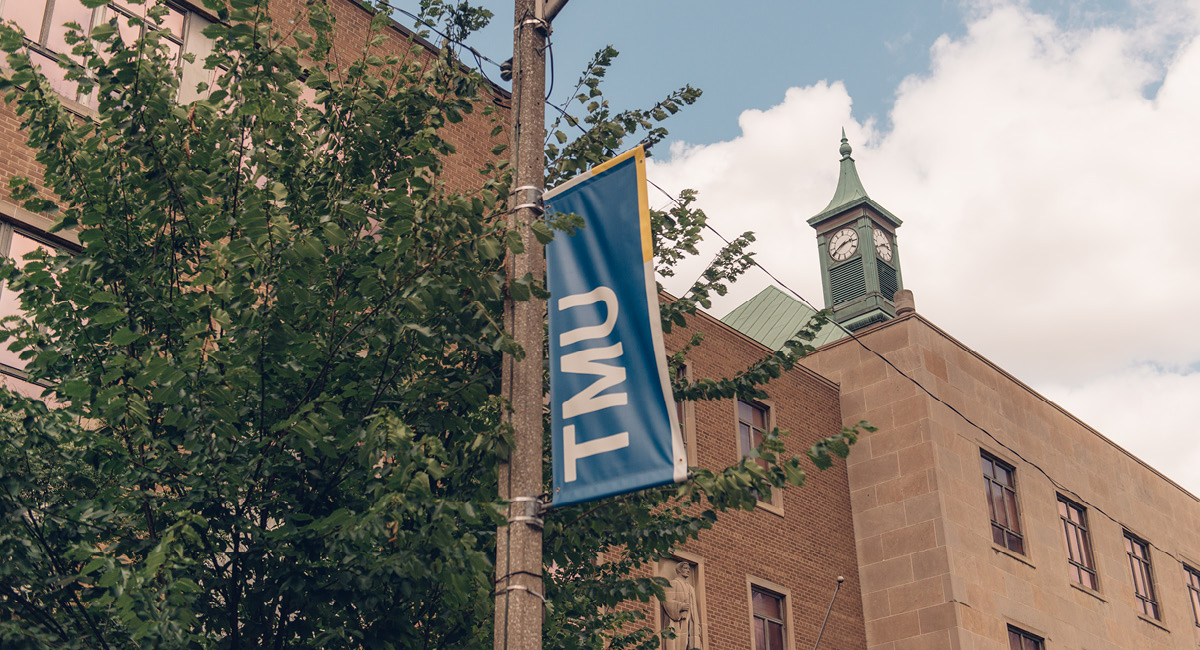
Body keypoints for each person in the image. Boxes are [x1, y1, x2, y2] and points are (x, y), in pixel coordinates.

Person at [661, 561, 703, 650]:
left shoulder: (691, 588)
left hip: (689, 621)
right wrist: (680, 606)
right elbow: (667, 601)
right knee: (678, 643)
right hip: (678, 620)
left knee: (687, 643)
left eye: (689, 569)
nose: (688, 571)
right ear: (679, 570)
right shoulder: (673, 583)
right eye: (685, 568)